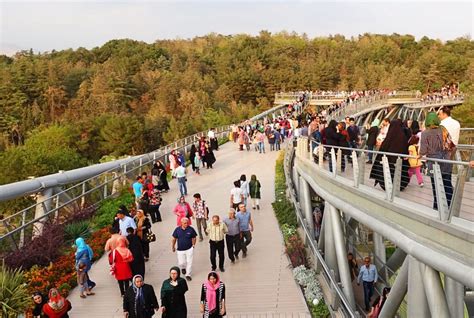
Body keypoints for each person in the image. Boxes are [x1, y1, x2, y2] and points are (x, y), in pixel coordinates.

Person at [420, 112, 454, 210]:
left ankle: (437, 207)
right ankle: (449, 207)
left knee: (436, 186)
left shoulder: (425, 133)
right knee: (447, 183)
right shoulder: (443, 130)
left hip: (433, 162)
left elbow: (423, 150)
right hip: (446, 161)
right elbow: (451, 145)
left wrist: (420, 155)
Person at [369, 119, 410, 191]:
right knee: (400, 173)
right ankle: (399, 185)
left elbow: (384, 147)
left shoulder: (390, 135)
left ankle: (388, 185)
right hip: (400, 161)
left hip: (389, 160)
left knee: (388, 172)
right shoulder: (403, 136)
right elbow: (405, 148)